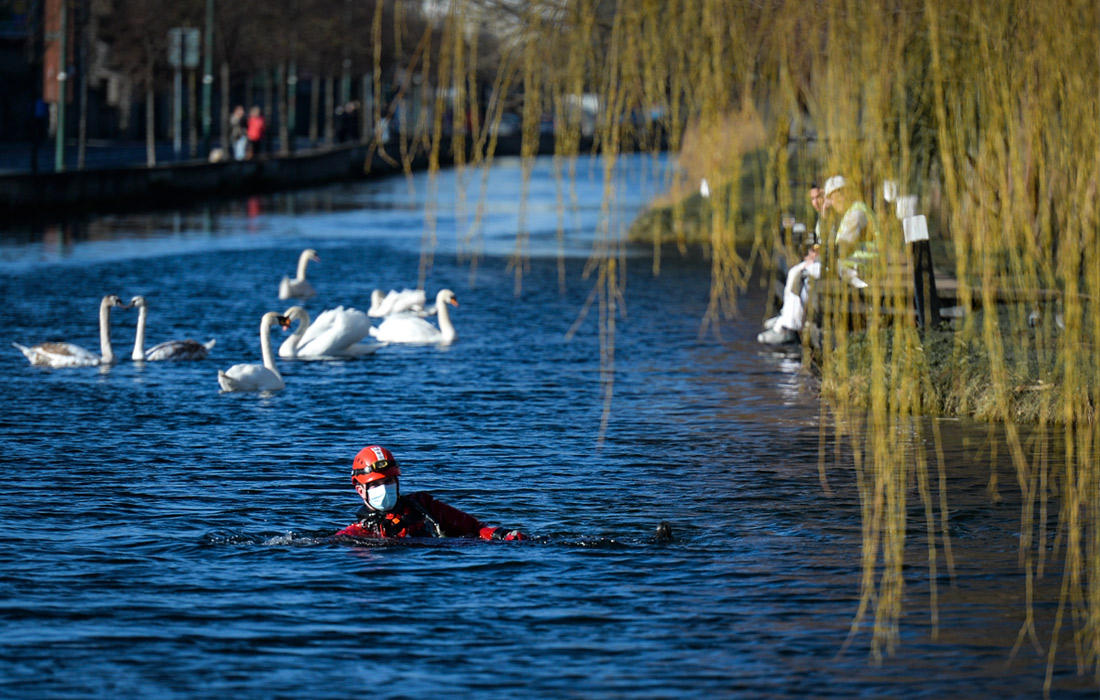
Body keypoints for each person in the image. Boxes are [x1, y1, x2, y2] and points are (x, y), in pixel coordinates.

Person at [334, 445, 527, 540]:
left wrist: (502, 535)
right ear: (361, 490)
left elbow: (474, 527)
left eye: (389, 481)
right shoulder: (355, 535)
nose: (384, 488)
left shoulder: (423, 505)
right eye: (376, 484)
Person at [758, 183, 828, 345]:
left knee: (801, 277)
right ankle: (784, 318)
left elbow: (836, 245)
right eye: (812, 199)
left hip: (831, 265)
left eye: (819, 197)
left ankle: (789, 326)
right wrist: (813, 252)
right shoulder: (821, 219)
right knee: (793, 271)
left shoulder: (829, 217)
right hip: (821, 261)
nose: (816, 202)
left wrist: (818, 255)